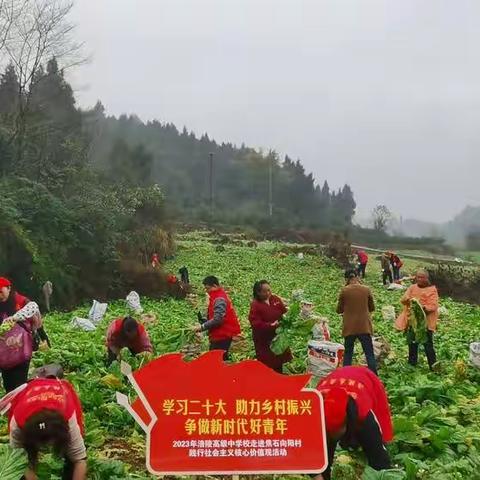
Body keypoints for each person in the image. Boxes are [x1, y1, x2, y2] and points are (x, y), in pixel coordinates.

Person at [314, 366, 393, 480]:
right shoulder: (315, 412)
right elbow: (314, 456)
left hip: (364, 378)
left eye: (336, 431)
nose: (333, 436)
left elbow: (381, 462)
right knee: (325, 448)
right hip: (333, 381)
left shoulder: (364, 415)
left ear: (346, 422)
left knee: (375, 447)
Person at [8, 375, 87, 480]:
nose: (48, 448)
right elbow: (17, 458)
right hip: (30, 394)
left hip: (59, 393)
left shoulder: (68, 418)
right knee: (23, 466)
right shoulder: (17, 423)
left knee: (72, 458)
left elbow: (80, 460)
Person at [0, 277, 42, 393]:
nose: (0, 296)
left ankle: (21, 407)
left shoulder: (20, 301)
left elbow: (33, 307)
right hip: (4, 355)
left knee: (19, 386)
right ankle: (13, 407)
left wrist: (15, 317)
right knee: (9, 385)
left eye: (0, 292)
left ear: (8, 288)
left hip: (21, 351)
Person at [395, 270, 439, 370]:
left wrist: (422, 308)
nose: (419, 279)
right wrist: (407, 299)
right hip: (412, 321)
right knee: (412, 343)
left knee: (428, 345)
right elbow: (403, 300)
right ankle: (412, 364)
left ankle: (433, 366)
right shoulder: (412, 287)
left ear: (427, 278)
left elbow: (433, 306)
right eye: (418, 277)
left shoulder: (432, 290)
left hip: (425, 323)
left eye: (422, 277)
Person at [337, 270, 377, 375]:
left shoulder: (344, 290)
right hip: (364, 326)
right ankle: (374, 376)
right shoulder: (366, 289)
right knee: (369, 353)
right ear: (358, 277)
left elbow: (339, 310)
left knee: (348, 353)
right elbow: (372, 307)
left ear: (347, 279)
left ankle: (346, 375)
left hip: (350, 327)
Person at [248, 280, 292, 373]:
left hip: (278, 336)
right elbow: (255, 323)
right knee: (267, 362)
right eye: (265, 291)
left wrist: (288, 317)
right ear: (258, 292)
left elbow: (284, 312)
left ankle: (279, 378)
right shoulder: (255, 305)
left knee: (279, 358)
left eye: (269, 290)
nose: (268, 293)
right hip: (264, 339)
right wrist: (269, 325)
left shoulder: (275, 299)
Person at [193, 276, 241, 361]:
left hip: (223, 334)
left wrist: (202, 327)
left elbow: (218, 319)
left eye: (208, 288)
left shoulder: (219, 299)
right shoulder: (216, 295)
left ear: (215, 286)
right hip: (221, 333)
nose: (207, 291)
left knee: (217, 360)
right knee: (219, 358)